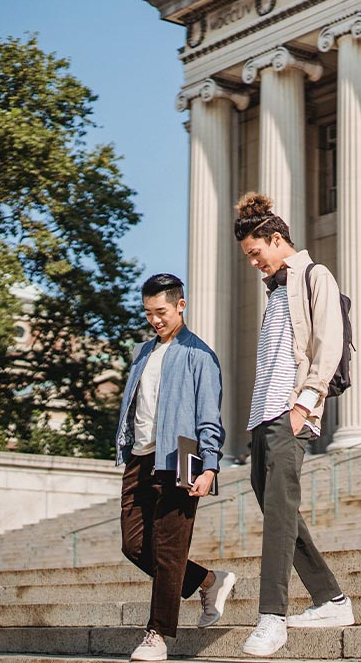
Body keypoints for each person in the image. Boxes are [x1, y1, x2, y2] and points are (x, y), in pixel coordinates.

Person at [234, 193, 355, 657]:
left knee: (280, 507)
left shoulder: (314, 276)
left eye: (256, 254)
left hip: (291, 412)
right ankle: (331, 598)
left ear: (276, 239)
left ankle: (272, 617)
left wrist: (305, 404)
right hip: (263, 414)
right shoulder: (277, 291)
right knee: (275, 506)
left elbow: (329, 342)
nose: (254, 264)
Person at [115, 273, 236, 662]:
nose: (155, 320)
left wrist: (210, 467)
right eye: (149, 313)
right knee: (134, 544)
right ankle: (207, 580)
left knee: (169, 550)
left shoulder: (200, 355)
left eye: (161, 311)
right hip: (140, 456)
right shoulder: (141, 354)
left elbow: (209, 419)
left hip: (181, 456)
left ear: (180, 305)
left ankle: (157, 635)